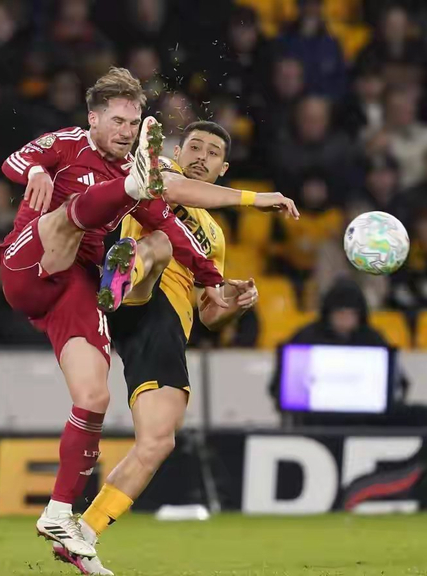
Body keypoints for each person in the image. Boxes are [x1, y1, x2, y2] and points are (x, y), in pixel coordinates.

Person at [0, 67, 231, 558]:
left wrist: (215, 282)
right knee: (80, 218)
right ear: (94, 119)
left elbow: (177, 237)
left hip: (83, 290)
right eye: (119, 121)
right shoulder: (76, 145)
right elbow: (14, 161)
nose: (126, 130)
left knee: (96, 398)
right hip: (33, 262)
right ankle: (127, 255)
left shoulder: (170, 202)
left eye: (134, 123)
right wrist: (36, 172)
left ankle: (62, 517)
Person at [52, 122, 268, 575]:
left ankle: (82, 534)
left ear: (223, 167)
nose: (201, 156)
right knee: (161, 241)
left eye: (212, 153)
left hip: (163, 325)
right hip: (136, 279)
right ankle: (121, 277)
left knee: (158, 440)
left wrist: (232, 305)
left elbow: (209, 315)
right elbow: (166, 187)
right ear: (178, 150)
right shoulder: (160, 171)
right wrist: (253, 198)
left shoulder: (215, 237)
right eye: (195, 146)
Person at [269, 278, 427, 428]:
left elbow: (398, 382)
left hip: (367, 415)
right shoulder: (306, 337)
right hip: (318, 416)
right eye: (340, 313)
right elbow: (280, 387)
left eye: (351, 314)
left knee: (425, 415)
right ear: (329, 314)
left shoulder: (372, 338)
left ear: (360, 315)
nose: (345, 319)